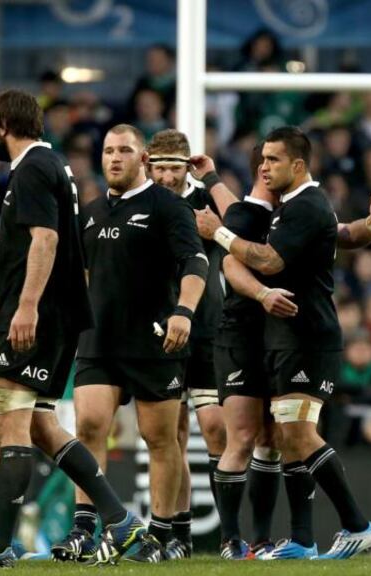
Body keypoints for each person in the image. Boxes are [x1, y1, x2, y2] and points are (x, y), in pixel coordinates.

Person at [0, 90, 143, 567]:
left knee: (10, 419)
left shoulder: (33, 168)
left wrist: (27, 307)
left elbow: (47, 237)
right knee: (39, 423)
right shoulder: (54, 165)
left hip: (36, 315)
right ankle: (120, 519)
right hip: (59, 316)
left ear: (0, 126)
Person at [195, 144, 371, 559]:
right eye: (262, 162)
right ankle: (296, 540)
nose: (265, 168)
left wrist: (218, 233)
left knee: (294, 434)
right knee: (279, 436)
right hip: (274, 338)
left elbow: (265, 259)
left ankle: (356, 525)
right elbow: (341, 234)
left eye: (273, 161)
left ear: (298, 165)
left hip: (305, 336)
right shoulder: (286, 207)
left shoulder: (304, 205)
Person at [51, 124, 208, 564]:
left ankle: (158, 535)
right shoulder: (93, 212)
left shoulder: (167, 206)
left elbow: (195, 263)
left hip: (154, 341)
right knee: (88, 430)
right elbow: (81, 276)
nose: (114, 158)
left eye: (124, 150)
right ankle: (85, 527)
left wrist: (185, 311)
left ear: (142, 160)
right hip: (99, 340)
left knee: (158, 439)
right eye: (107, 151)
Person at [143, 129, 238, 559]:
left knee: (216, 428)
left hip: (207, 327)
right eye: (158, 167)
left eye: (173, 168)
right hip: (160, 329)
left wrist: (213, 181)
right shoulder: (141, 202)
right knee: (172, 434)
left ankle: (231, 535)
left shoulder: (206, 201)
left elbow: (244, 227)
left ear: (187, 166)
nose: (165, 175)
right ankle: (178, 533)